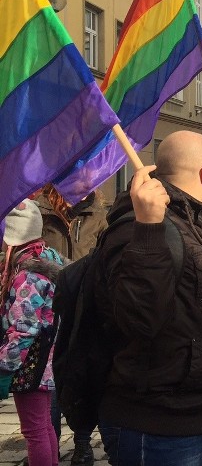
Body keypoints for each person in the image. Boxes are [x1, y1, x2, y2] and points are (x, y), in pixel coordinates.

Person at [95, 131, 202, 466]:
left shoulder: (194, 222)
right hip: (162, 426)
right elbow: (137, 319)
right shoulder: (141, 223)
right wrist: (148, 228)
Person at [36, 186, 107, 466]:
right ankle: (48, 442)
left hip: (83, 304)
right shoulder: (42, 214)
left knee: (80, 374)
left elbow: (104, 258)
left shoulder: (98, 216)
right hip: (47, 304)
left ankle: (82, 442)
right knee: (49, 377)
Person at [0, 199, 64, 466]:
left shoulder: (27, 275)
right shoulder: (46, 257)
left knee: (34, 430)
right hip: (47, 358)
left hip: (31, 362)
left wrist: (4, 365)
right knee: (43, 426)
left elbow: (22, 328)